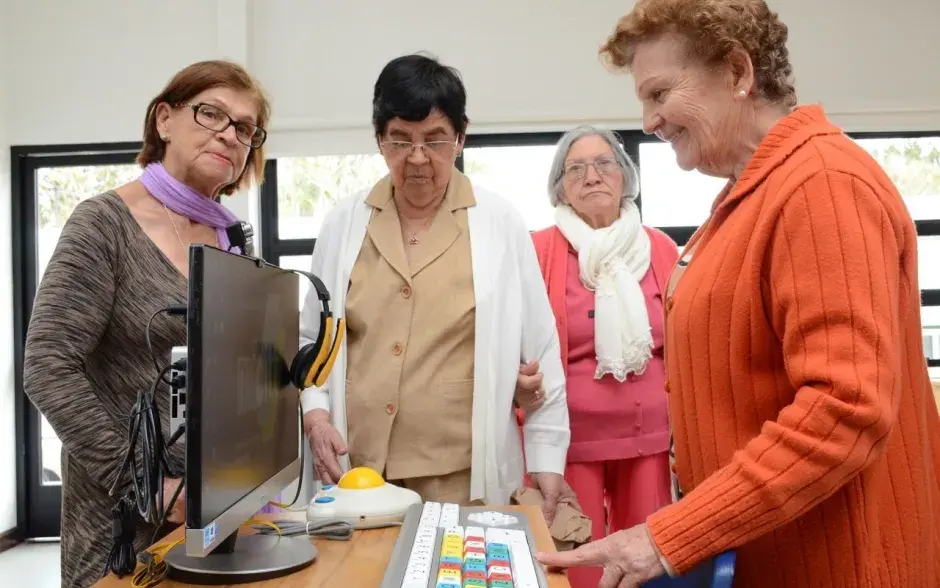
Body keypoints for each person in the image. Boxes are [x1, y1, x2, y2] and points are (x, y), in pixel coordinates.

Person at [536, 1, 940, 587]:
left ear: (737, 72)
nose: (649, 121)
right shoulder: (749, 194)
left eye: (659, 94)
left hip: (837, 564)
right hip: (764, 553)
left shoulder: (822, 185)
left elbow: (843, 409)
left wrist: (668, 535)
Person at [23, 60, 270, 588]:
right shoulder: (103, 225)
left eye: (245, 128)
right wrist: (146, 482)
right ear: (164, 120)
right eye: (211, 114)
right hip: (125, 524)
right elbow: (47, 366)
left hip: (216, 512)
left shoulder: (233, 241)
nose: (229, 134)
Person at [299, 53, 575, 519]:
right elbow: (311, 340)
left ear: (461, 136)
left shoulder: (499, 222)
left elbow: (541, 351)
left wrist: (547, 461)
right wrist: (315, 413)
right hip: (357, 472)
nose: (418, 158)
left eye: (435, 140)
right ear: (379, 139)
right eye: (400, 141)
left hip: (460, 475)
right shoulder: (344, 223)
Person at [514, 126, 677, 588]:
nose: (592, 176)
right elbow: (512, 336)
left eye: (604, 164)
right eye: (576, 169)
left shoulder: (659, 247)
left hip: (649, 437)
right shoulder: (538, 248)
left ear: (625, 176)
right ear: (560, 187)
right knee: (578, 561)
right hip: (570, 440)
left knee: (644, 565)